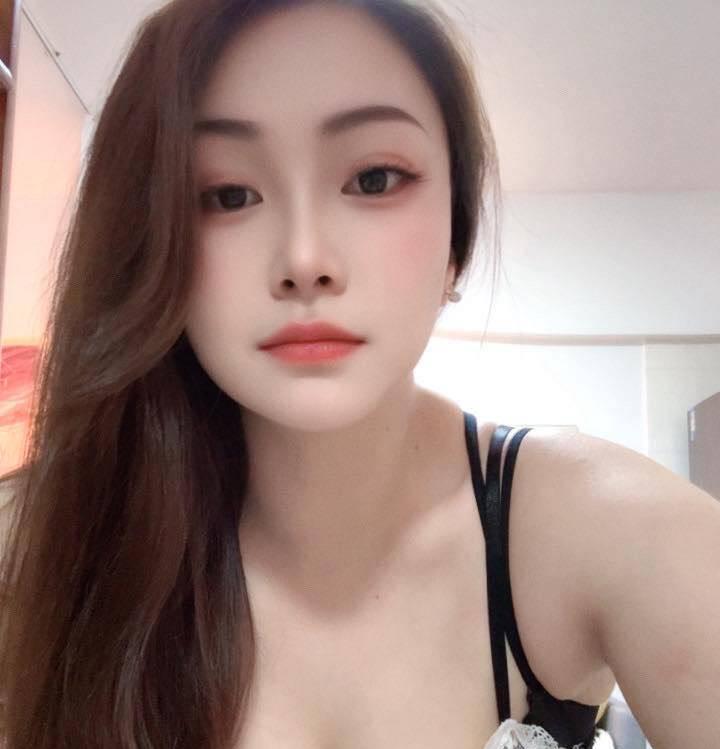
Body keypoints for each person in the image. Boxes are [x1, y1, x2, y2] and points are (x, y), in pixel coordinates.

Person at [0, 0, 718, 747]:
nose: (305, 259)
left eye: (374, 178)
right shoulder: (44, 547)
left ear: (455, 241)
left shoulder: (614, 528)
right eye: (227, 194)